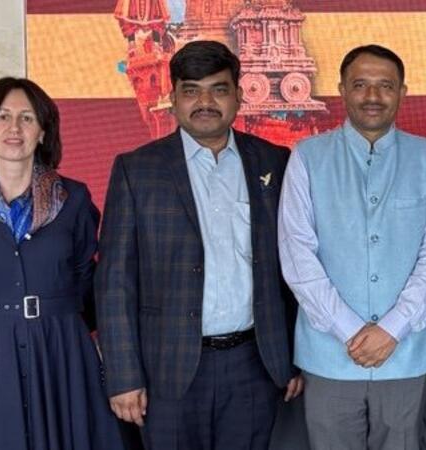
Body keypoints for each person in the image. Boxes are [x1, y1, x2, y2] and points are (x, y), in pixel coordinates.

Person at [96, 40, 301, 449]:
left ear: (238, 96)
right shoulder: (137, 170)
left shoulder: (274, 162)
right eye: (191, 91)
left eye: (218, 90)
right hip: (167, 369)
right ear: (173, 98)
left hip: (255, 364)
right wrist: (123, 375)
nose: (205, 102)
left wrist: (293, 357)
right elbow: (114, 283)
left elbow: (293, 266)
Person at [0, 76, 125, 450]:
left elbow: (86, 275)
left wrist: (63, 326)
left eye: (27, 118)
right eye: (2, 116)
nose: (14, 128)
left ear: (43, 132)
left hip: (62, 347)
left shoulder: (75, 199)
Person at [278, 44, 426, 450]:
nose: (372, 96)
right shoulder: (308, 157)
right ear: (341, 90)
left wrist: (392, 328)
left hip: (404, 349)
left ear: (402, 92)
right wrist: (349, 329)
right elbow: (298, 254)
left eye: (385, 86)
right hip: (330, 351)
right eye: (360, 85)